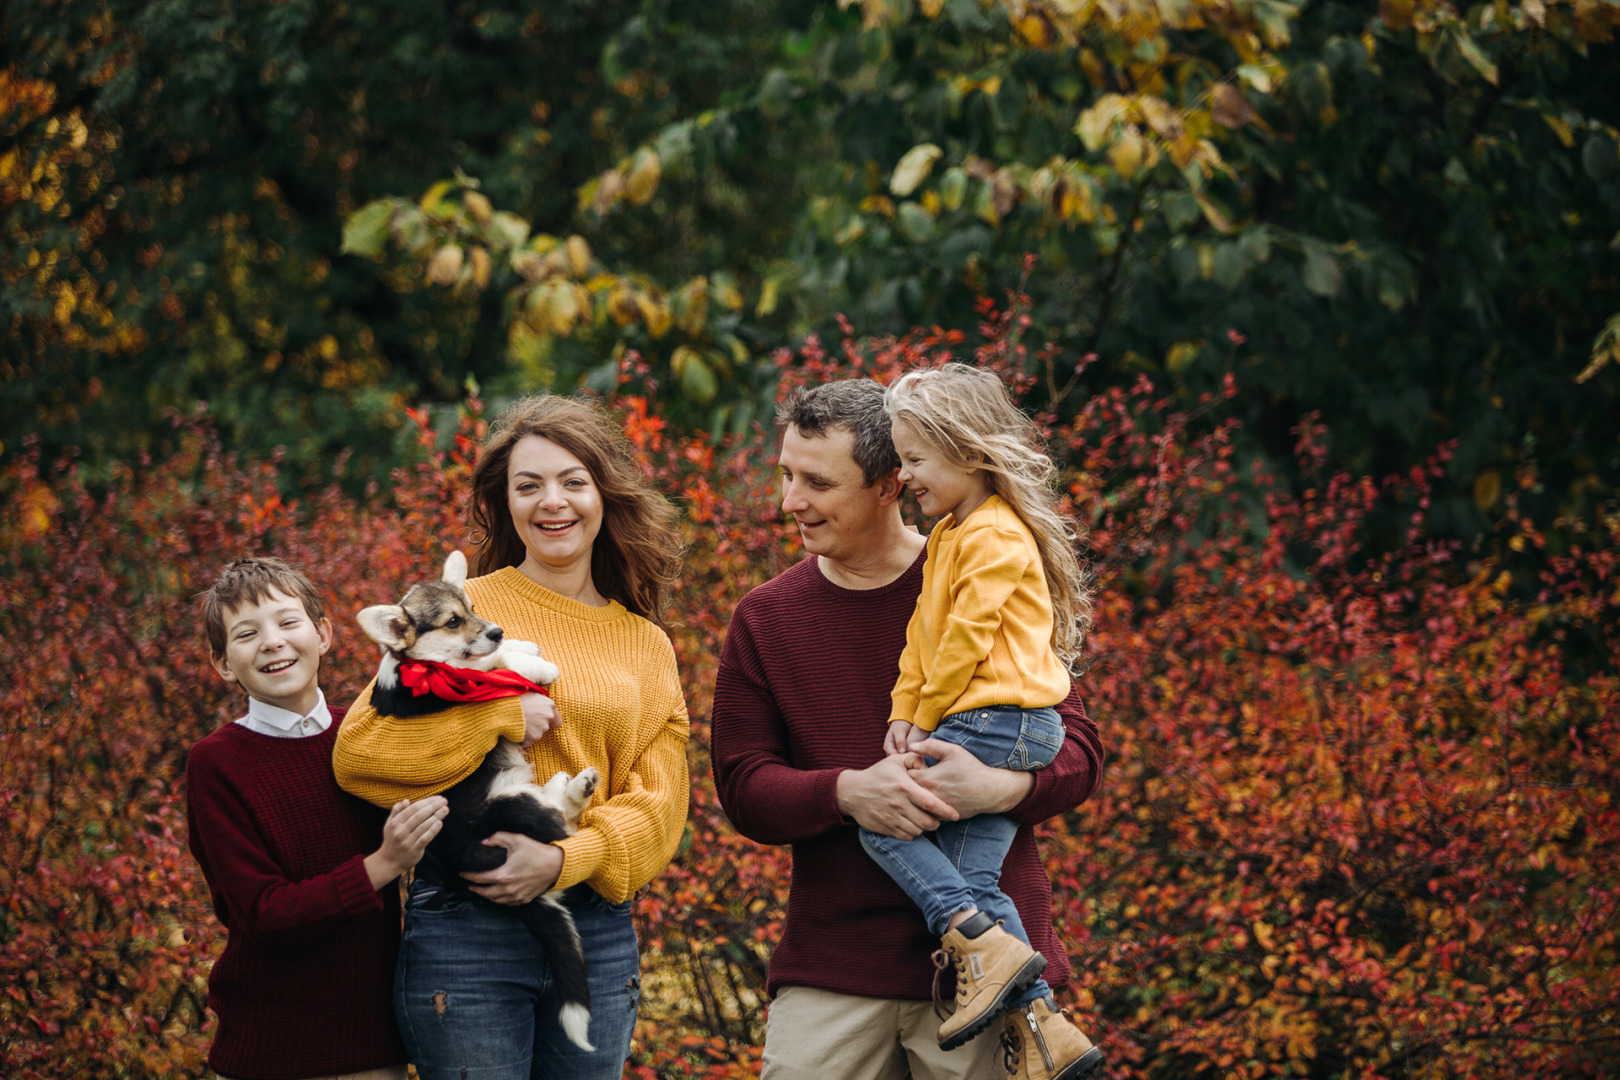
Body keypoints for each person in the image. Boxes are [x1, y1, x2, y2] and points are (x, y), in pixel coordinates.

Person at [711, 379, 1104, 1080]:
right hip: (833, 970)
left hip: (986, 985)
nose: (789, 502)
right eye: (786, 475)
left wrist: (996, 788)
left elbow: (1076, 751)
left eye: (816, 482)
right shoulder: (767, 618)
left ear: (894, 482)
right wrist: (847, 792)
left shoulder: (980, 566)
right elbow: (743, 786)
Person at [332, 394, 690, 1080]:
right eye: (529, 486)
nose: (552, 502)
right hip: (465, 926)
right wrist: (497, 716)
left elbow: (660, 802)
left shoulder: (645, 643)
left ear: (604, 494)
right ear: (506, 503)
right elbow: (361, 755)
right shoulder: (465, 610)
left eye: (572, 481)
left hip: (595, 928)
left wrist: (566, 859)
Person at [861, 364, 1101, 1076]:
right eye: (899, 461)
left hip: (1004, 720)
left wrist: (930, 713)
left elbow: (966, 636)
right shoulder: (948, 537)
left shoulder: (996, 534)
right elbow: (922, 638)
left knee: (882, 819)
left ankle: (970, 935)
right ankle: (1048, 1035)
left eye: (915, 459)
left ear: (966, 450)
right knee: (976, 881)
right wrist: (906, 712)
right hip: (981, 716)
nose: (905, 477)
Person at [186, 556, 449, 1080]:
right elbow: (263, 913)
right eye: (246, 633)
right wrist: (384, 864)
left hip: (375, 1045)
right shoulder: (217, 763)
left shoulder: (369, 731)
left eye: (288, 622)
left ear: (323, 634)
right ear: (222, 663)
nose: (272, 642)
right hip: (271, 1049)